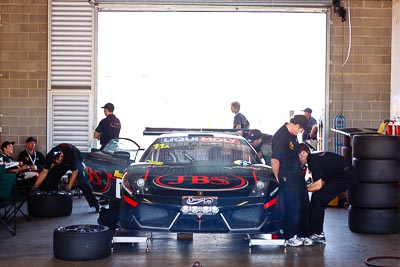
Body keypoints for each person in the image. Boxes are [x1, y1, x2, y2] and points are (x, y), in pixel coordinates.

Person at [298, 143, 357, 244]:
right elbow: (322, 182)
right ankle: (313, 231)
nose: (298, 160)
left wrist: (301, 190)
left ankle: (318, 234)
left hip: (346, 176)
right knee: (317, 196)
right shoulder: (314, 158)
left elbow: (318, 185)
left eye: (298, 156)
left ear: (303, 153)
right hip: (339, 175)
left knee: (319, 199)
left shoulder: (312, 160)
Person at [270, 114, 312, 247]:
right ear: (297, 125)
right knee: (293, 206)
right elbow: (275, 160)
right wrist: (278, 180)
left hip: (296, 173)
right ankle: (290, 236)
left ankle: (302, 234)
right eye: (301, 130)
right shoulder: (280, 136)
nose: (301, 132)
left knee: (305, 202)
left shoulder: (293, 135)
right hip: (286, 175)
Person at [31, 143, 99, 212]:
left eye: (57, 159)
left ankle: (95, 204)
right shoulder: (50, 157)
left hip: (77, 160)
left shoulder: (71, 155)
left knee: (82, 182)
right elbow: (44, 172)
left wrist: (69, 187)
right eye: (55, 160)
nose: (56, 161)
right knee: (51, 176)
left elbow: (75, 172)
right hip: (63, 162)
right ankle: (54, 199)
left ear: (61, 154)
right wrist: (35, 186)